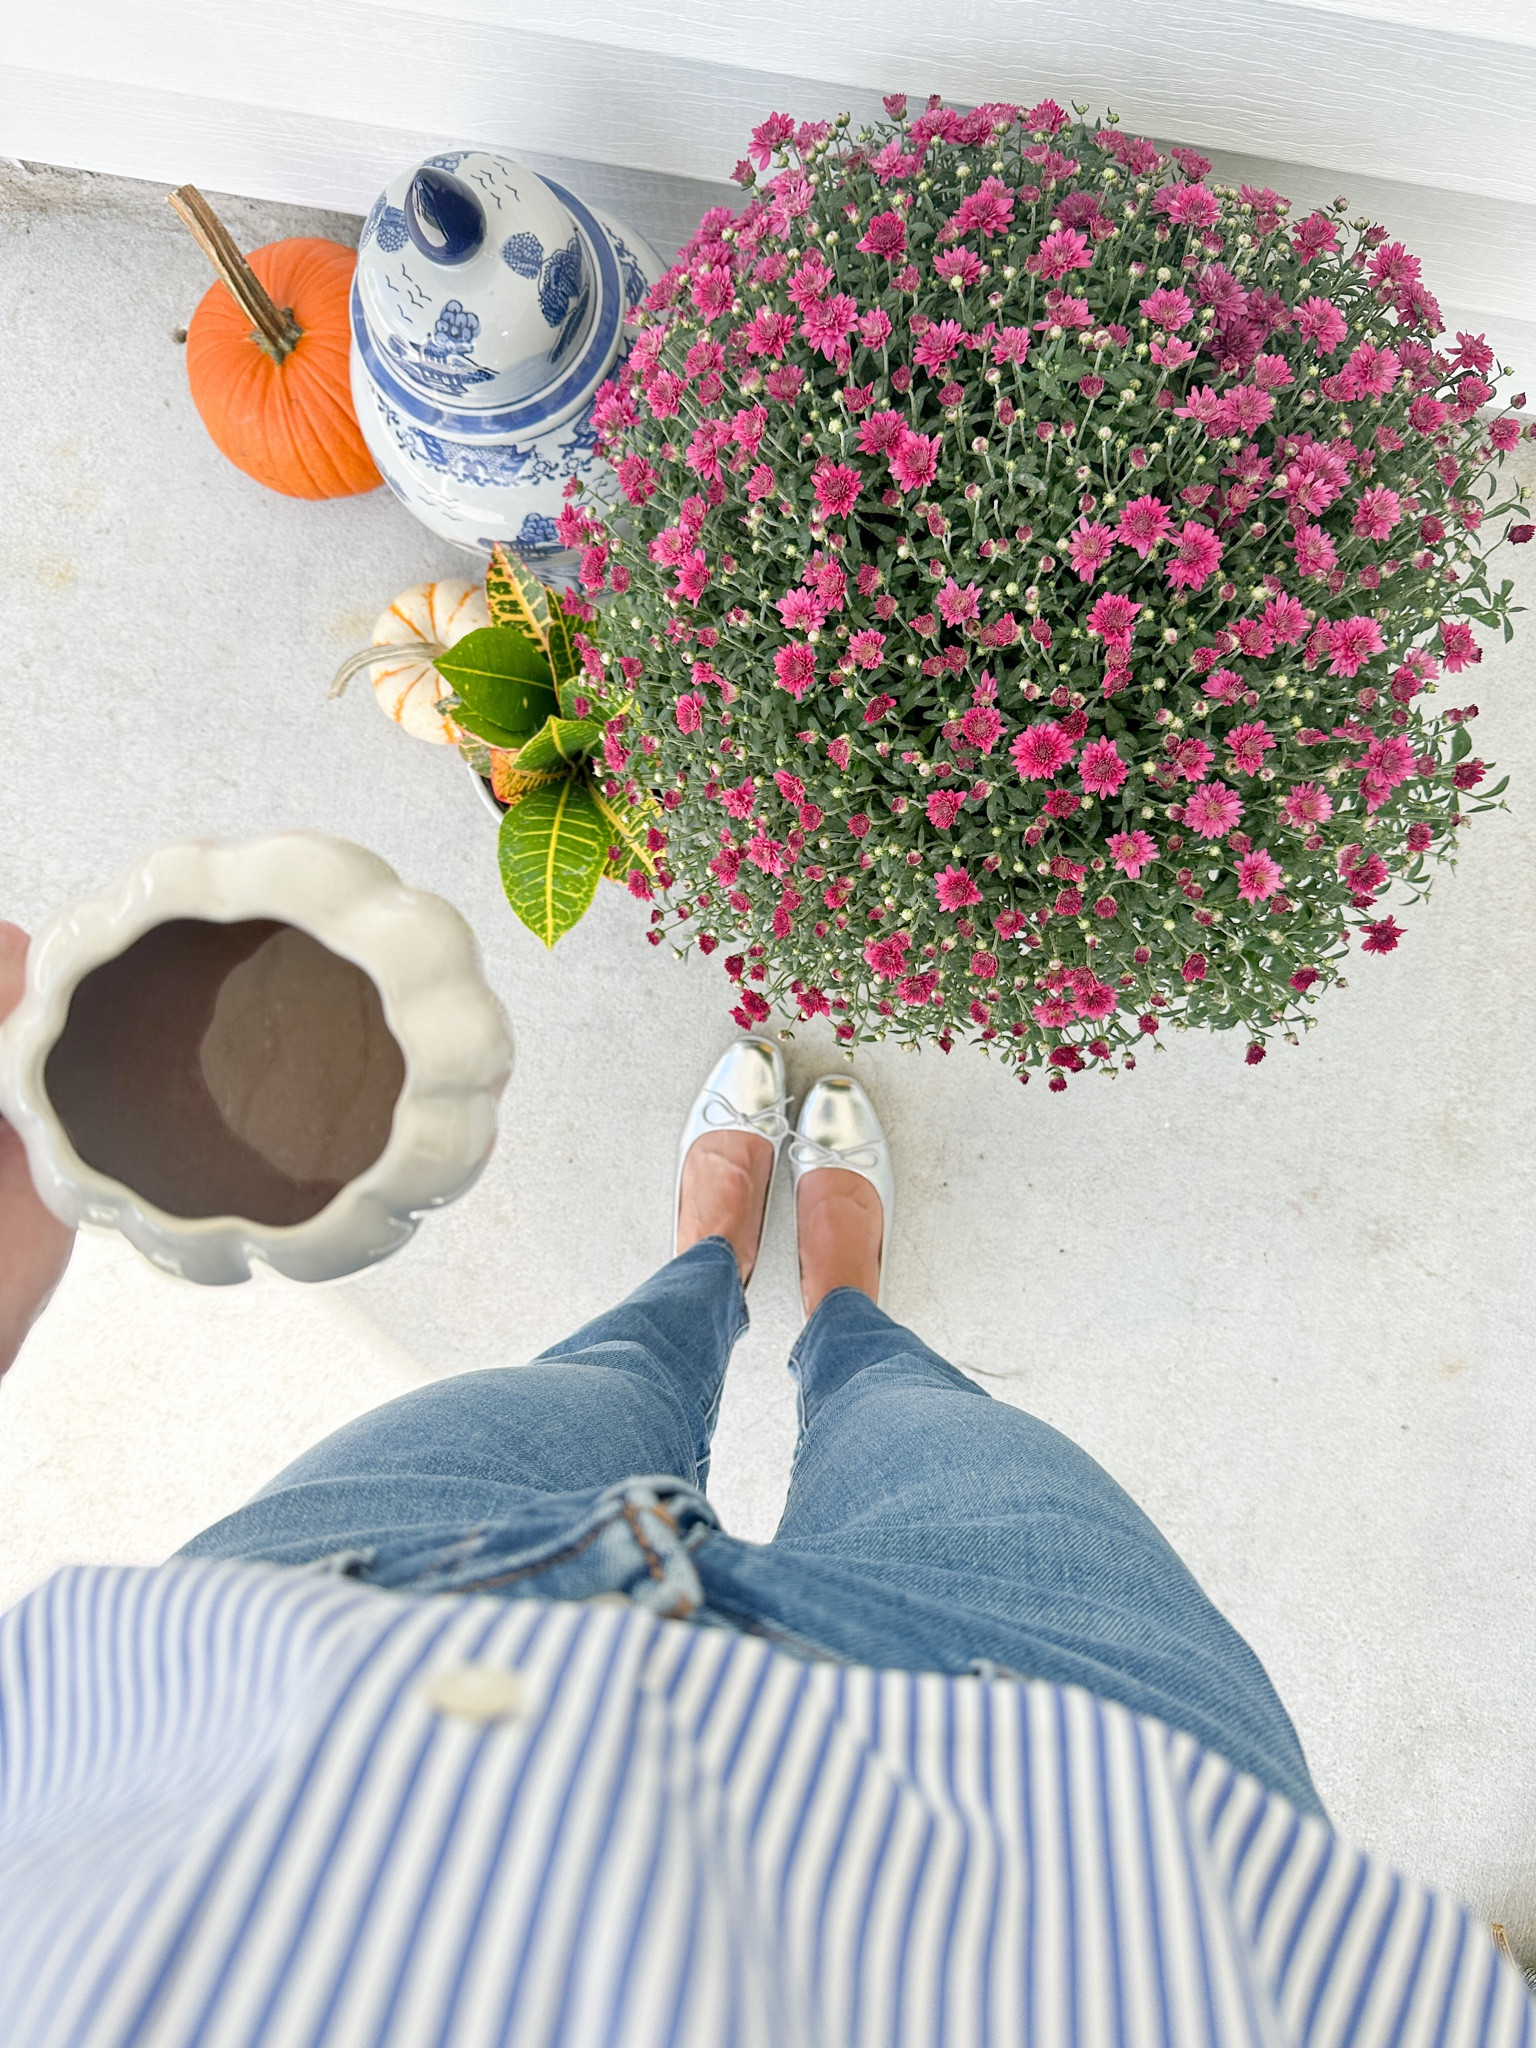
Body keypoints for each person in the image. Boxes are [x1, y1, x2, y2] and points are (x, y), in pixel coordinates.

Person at [0, 920, 1528, 2047]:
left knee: (603, 1381)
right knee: (912, 1416)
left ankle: (704, 1269)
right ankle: (842, 1302)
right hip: (1105, 1826)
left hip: (278, 1687)